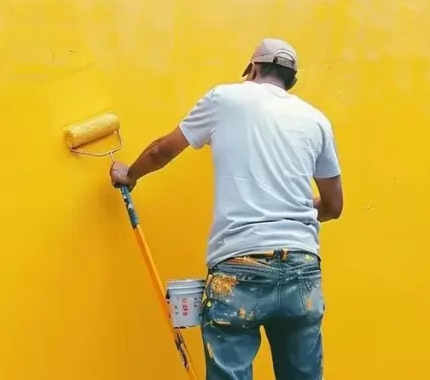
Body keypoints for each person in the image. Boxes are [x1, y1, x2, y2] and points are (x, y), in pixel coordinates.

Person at [109, 38, 343, 380]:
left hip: (239, 268)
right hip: (301, 269)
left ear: (253, 69)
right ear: (291, 81)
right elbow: (333, 206)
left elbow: (162, 150)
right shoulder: (316, 120)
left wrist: (128, 175)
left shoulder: (226, 98)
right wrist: (295, 207)